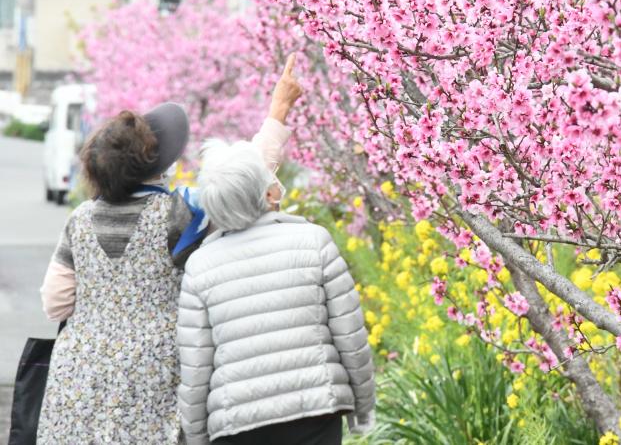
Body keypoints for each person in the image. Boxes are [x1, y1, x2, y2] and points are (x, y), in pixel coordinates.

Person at [35, 56, 302, 444]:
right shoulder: (180, 212)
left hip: (77, 374)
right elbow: (244, 182)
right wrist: (277, 112)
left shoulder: (79, 219)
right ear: (154, 165)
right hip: (155, 374)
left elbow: (56, 303)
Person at [176, 140, 376, 445]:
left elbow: (195, 366)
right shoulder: (313, 241)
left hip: (237, 423)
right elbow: (350, 336)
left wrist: (196, 435)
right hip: (315, 407)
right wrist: (363, 405)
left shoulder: (199, 266)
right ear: (268, 193)